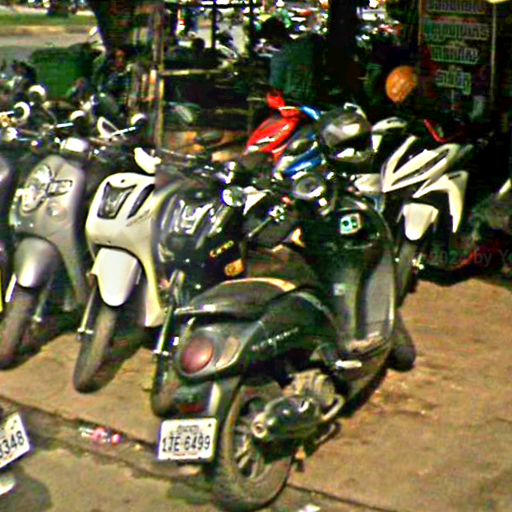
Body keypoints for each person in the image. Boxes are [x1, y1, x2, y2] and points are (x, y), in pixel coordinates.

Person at [258, 17, 326, 106]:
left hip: (293, 101)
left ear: (273, 37)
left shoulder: (280, 56)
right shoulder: (306, 46)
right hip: (315, 96)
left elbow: (276, 84)